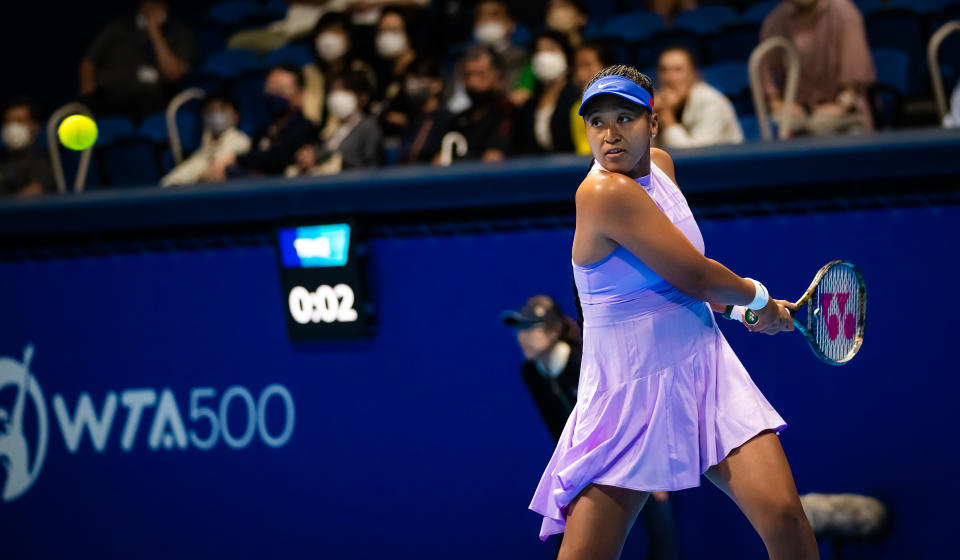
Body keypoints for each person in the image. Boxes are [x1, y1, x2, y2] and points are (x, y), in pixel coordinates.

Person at [528, 65, 819, 560]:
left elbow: (681, 282)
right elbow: (699, 276)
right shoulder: (602, 193)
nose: (610, 134)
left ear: (653, 124)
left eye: (625, 117)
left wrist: (738, 312)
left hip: (703, 370)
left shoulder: (661, 168)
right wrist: (760, 301)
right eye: (596, 122)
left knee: (787, 520)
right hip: (626, 395)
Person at [504, 295, 681, 560]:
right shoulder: (531, 374)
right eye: (519, 329)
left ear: (553, 331)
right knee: (568, 520)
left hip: (624, 447)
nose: (522, 336)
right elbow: (556, 426)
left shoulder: (584, 362)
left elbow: (626, 408)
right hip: (585, 461)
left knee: (656, 506)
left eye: (530, 328)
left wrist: (647, 457)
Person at [760, 0, 875, 136]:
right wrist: (777, 103)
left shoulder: (845, 13)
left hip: (843, 110)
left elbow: (853, 86)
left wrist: (840, 106)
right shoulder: (776, 19)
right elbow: (765, 73)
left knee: (823, 124)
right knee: (774, 125)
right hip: (797, 111)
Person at [80, 0, 195, 119]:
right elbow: (89, 61)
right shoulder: (118, 27)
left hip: (153, 101)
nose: (153, 5)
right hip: (110, 97)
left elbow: (173, 74)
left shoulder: (178, 32)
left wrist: (154, 32)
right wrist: (88, 93)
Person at [207, 65, 316, 181]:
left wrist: (234, 159)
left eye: (280, 90)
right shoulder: (262, 132)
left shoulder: (305, 128)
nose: (274, 95)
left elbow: (277, 157)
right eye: (270, 89)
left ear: (300, 94)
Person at [292, 70, 381, 175]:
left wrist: (322, 160)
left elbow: (372, 167)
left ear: (362, 97)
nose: (337, 95)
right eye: (334, 90)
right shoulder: (332, 128)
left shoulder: (368, 127)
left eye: (344, 90)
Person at [654, 47, 743, 148]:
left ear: (694, 75)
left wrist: (667, 116)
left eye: (678, 70)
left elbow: (694, 157)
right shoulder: (657, 104)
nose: (669, 78)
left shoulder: (711, 102)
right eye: (663, 70)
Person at [161, 93, 251, 186]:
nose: (215, 114)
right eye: (210, 110)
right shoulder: (205, 147)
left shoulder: (239, 139)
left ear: (236, 115)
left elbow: (220, 165)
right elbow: (177, 176)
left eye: (222, 109)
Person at [444, 45, 514, 163]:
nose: (473, 82)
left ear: (498, 76)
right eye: (468, 75)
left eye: (481, 74)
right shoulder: (459, 120)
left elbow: (493, 160)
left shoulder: (508, 113)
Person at [515, 31, 581, 154]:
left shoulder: (577, 98)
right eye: (538, 51)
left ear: (566, 56)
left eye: (551, 49)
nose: (543, 56)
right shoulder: (529, 104)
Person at [472, 0, 534, 106]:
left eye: (494, 15)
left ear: (510, 23)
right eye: (481, 15)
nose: (486, 20)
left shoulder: (522, 59)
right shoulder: (462, 57)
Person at [395, 58, 454, 164]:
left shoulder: (448, 120)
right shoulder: (412, 120)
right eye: (409, 78)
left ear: (437, 84)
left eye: (419, 77)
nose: (412, 83)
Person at [0, 97, 54, 198]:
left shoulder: (40, 160)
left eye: (20, 121)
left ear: (34, 127)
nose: (12, 126)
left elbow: (34, 192)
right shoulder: (3, 157)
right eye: (8, 121)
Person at [571, 41, 616, 155]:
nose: (580, 75)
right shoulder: (577, 109)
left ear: (608, 68)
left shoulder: (632, 102)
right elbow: (584, 154)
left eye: (587, 65)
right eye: (577, 68)